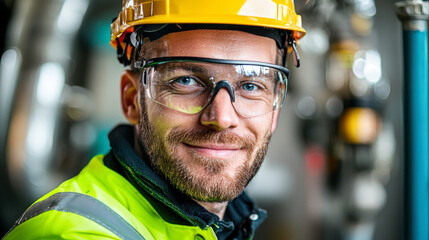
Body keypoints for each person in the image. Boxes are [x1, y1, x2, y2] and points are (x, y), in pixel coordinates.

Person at [3, 0, 305, 239]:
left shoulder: (222, 226)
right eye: (186, 81)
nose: (222, 117)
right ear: (132, 99)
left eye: (251, 85)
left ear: (275, 109)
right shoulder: (72, 234)